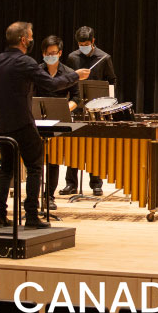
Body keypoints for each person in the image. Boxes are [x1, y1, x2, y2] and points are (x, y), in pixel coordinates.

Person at [0, 22, 89, 228]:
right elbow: (52, 84)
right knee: (35, 167)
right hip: (21, 123)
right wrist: (75, 76)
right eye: (31, 36)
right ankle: (32, 216)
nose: (32, 39)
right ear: (24, 40)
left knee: (6, 168)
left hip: (0, 124)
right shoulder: (25, 62)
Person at [62, 26, 115, 197]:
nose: (83, 46)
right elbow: (67, 80)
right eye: (80, 44)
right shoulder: (72, 57)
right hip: (76, 107)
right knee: (73, 146)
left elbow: (112, 81)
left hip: (97, 108)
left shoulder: (104, 58)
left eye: (86, 43)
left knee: (95, 147)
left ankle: (96, 183)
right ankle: (71, 183)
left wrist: (108, 102)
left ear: (93, 41)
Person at [36, 35, 81, 211]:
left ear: (60, 53)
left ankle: (49, 196)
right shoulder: (36, 71)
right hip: (38, 120)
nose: (50, 56)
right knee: (37, 161)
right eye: (47, 53)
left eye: (53, 53)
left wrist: (67, 108)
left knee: (52, 160)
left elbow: (77, 98)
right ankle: (36, 195)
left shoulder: (69, 72)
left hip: (58, 121)